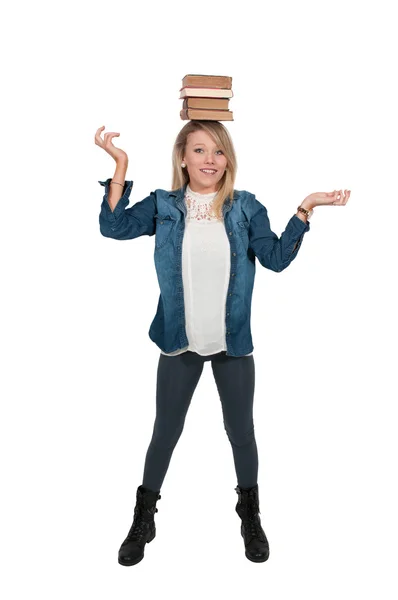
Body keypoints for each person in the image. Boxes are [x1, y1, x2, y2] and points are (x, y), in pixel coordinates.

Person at [94, 121, 350, 566]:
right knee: (165, 433)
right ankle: (143, 517)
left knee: (241, 433)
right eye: (199, 150)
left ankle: (249, 514)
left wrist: (305, 209)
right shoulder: (162, 205)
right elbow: (113, 228)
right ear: (183, 157)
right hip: (179, 341)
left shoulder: (244, 207)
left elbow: (275, 259)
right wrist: (120, 164)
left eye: (217, 151)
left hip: (232, 344)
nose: (209, 160)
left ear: (227, 159)